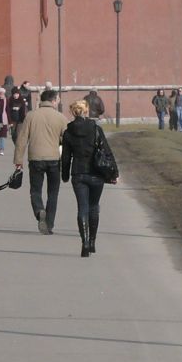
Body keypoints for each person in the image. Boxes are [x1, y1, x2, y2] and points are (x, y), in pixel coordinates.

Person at [60, 98, 117, 257]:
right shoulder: (96, 129)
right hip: (97, 173)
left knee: (82, 207)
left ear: (73, 112)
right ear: (86, 111)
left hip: (78, 173)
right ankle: (92, 241)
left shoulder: (68, 132)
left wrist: (64, 174)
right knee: (94, 207)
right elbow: (107, 151)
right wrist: (114, 173)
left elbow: (65, 157)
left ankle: (84, 242)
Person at [12, 87, 70, 233]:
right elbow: (67, 140)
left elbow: (22, 139)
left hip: (35, 158)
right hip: (54, 159)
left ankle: (39, 210)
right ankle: (49, 224)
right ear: (53, 100)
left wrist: (18, 161)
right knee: (53, 193)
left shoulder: (31, 116)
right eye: (57, 100)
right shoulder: (61, 118)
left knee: (35, 190)